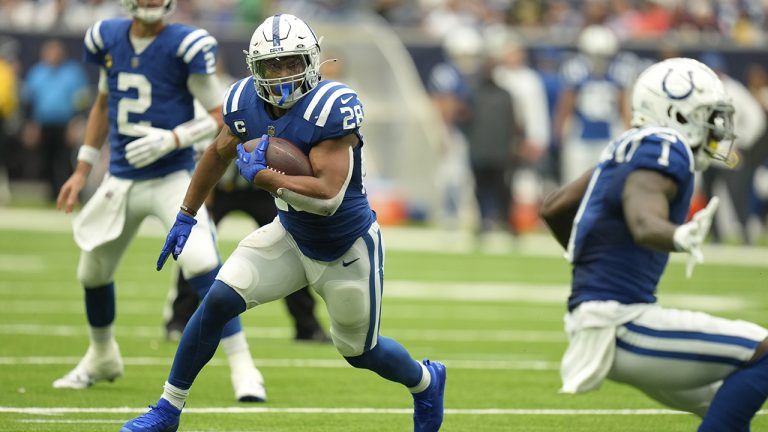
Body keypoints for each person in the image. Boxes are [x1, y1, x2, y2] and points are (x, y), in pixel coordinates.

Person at [120, 13, 446, 432]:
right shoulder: (242, 102)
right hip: (291, 234)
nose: (283, 74)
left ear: (311, 61)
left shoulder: (332, 106)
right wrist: (186, 213)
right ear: (256, 68)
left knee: (360, 352)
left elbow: (328, 195)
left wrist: (265, 177)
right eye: (272, 65)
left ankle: (424, 381)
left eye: (292, 62)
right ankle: (167, 409)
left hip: (344, 247)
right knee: (217, 300)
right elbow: (217, 153)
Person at [53, 0, 266, 403]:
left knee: (203, 262)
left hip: (171, 176)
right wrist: (82, 168)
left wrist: (173, 138)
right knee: (92, 272)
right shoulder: (108, 37)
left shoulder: (186, 43)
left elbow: (222, 116)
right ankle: (101, 357)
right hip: (122, 176)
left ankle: (244, 367)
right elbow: (102, 103)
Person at [540, 57, 768, 431]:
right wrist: (675, 235)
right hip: (622, 323)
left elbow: (555, 207)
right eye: (707, 115)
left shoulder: (627, 144)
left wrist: (594, 263)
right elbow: (643, 220)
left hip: (597, 316)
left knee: (723, 406)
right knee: (763, 353)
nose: (716, 127)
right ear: (677, 113)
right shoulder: (667, 146)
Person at [165, 168, 331, 343]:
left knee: (291, 249)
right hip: (221, 186)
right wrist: (204, 188)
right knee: (198, 248)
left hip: (264, 188)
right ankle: (178, 321)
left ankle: (307, 326)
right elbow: (211, 148)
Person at [21, 39, 90, 202]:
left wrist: (76, 122)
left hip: (66, 124)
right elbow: (29, 101)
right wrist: (31, 124)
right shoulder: (36, 73)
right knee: (46, 160)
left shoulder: (73, 73)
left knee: (67, 161)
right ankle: (53, 195)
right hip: (43, 124)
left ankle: (73, 193)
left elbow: (82, 100)